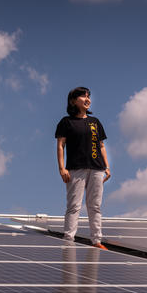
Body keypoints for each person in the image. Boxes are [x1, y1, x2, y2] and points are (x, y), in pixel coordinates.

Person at [55, 86, 111, 248]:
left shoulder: (95, 122)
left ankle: (97, 240)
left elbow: (101, 146)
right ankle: (68, 240)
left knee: (95, 206)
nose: (87, 99)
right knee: (74, 205)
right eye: (83, 96)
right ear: (73, 101)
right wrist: (61, 168)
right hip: (75, 168)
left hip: (97, 168)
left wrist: (106, 167)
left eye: (88, 96)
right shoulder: (66, 122)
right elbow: (60, 146)